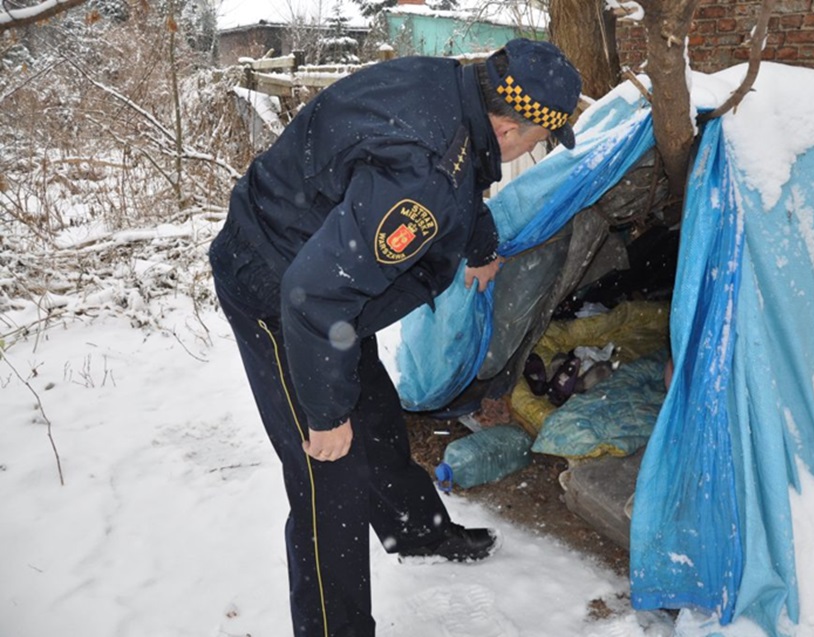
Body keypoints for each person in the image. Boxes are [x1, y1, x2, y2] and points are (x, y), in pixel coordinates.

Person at [208, 39, 582, 637]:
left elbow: (461, 173)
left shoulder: (453, 89)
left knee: (377, 415)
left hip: (328, 272)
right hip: (278, 291)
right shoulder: (426, 174)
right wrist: (324, 415)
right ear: (510, 127)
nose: (532, 148)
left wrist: (480, 241)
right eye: (538, 139)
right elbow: (314, 294)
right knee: (327, 477)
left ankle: (416, 530)